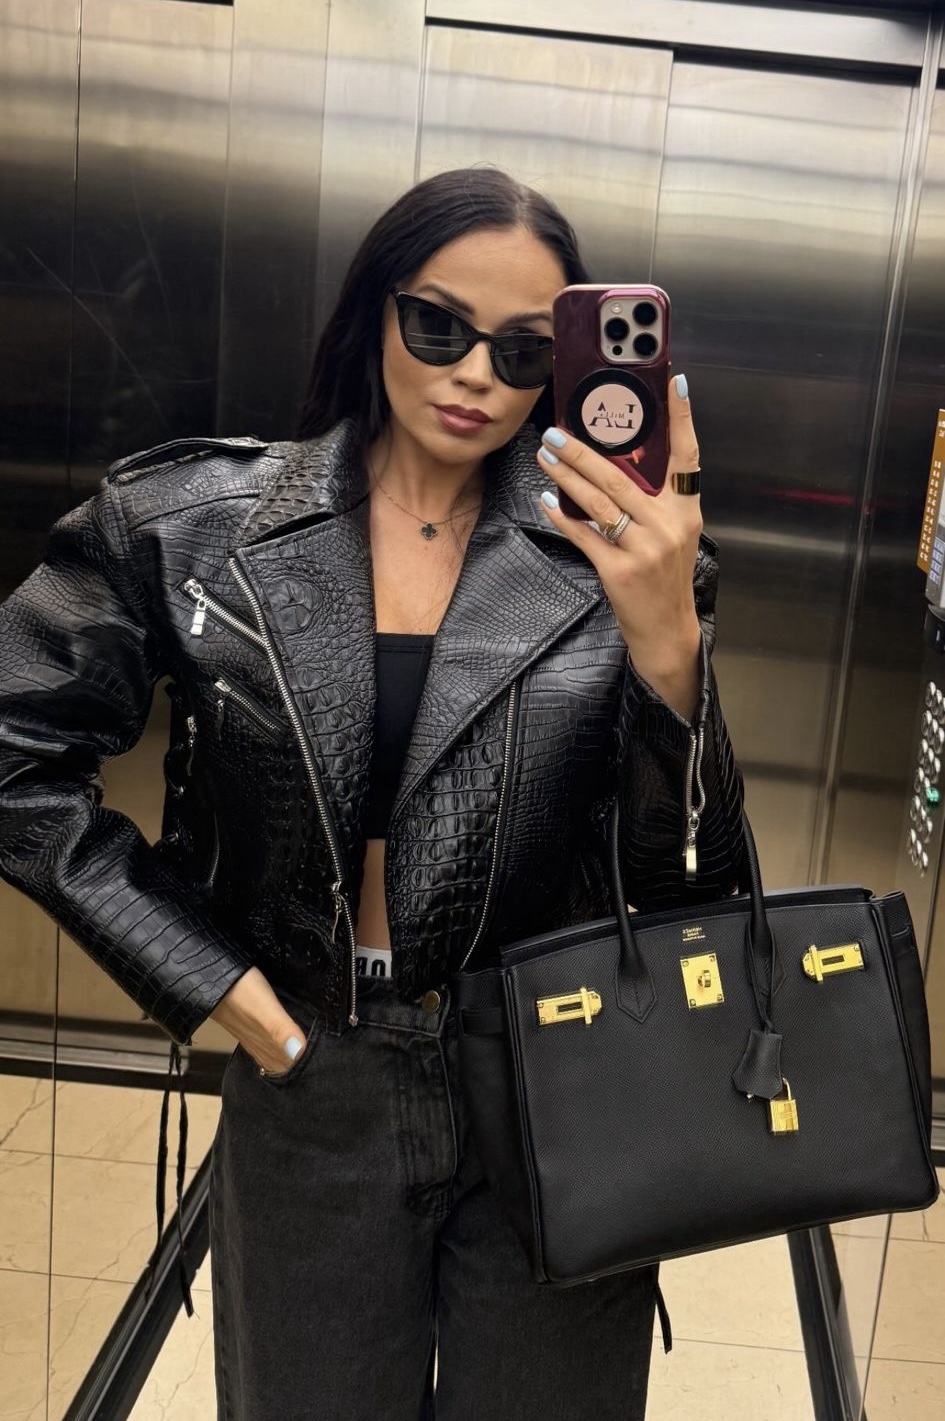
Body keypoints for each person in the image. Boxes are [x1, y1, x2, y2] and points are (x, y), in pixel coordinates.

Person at [0, 167, 745, 1419]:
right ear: (375, 312)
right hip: (312, 1065)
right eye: (439, 325)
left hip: (558, 1072)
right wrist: (211, 981)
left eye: (523, 351)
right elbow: (15, 750)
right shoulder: (197, 526)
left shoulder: (620, 557)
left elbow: (695, 884)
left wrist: (669, 638)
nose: (475, 376)